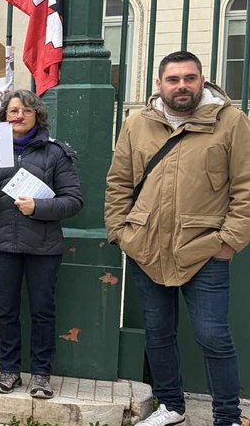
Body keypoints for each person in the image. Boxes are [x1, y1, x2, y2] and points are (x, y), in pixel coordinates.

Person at [106, 51, 248, 426]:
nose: (181, 86)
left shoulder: (231, 122)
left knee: (213, 336)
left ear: (202, 81)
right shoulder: (137, 123)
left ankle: (227, 416)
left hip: (204, 249)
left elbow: (246, 188)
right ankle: (171, 406)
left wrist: (229, 241)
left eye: (189, 78)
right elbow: (119, 181)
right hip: (145, 247)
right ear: (159, 84)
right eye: (173, 79)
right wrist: (119, 232)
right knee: (158, 332)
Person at [0, 89, 82, 398]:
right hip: (2, 245)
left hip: (43, 247)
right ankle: (9, 371)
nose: (18, 115)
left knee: (42, 310)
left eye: (26, 110)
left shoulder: (55, 153)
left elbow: (74, 201)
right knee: (6, 310)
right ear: (4, 116)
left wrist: (39, 208)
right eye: (12, 110)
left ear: (37, 116)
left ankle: (42, 375)